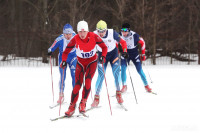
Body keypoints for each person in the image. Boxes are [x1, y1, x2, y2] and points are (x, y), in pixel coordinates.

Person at [61, 20, 108, 117]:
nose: (82, 34)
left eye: (84, 32)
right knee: (77, 85)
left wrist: (103, 56)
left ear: (87, 31)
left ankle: (83, 103)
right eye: (80, 32)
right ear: (77, 32)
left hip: (92, 62)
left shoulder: (94, 36)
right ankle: (72, 107)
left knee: (87, 82)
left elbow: (104, 47)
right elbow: (65, 52)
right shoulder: (75, 38)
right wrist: (64, 60)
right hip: (80, 63)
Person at [91, 20, 128, 108]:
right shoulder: (93, 34)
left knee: (116, 74)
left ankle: (118, 94)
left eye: (103, 31)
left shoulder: (112, 32)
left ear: (106, 29)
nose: (101, 34)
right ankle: (96, 98)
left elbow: (123, 42)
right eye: (99, 31)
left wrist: (125, 51)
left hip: (113, 54)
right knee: (100, 76)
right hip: (101, 55)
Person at [47, 23, 77, 104]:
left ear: (72, 32)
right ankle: (61, 95)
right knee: (63, 76)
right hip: (63, 58)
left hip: (73, 57)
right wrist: (50, 51)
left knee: (74, 75)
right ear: (63, 33)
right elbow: (52, 46)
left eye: (69, 34)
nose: (68, 36)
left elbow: (83, 43)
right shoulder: (60, 39)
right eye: (66, 34)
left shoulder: (75, 37)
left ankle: (74, 95)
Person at [119, 23, 152, 93]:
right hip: (125, 54)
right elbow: (115, 42)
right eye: (122, 30)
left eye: (125, 31)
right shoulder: (119, 35)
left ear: (129, 30)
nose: (123, 33)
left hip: (134, 54)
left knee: (139, 70)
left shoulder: (135, 35)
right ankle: (124, 85)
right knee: (123, 69)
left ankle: (146, 85)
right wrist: (118, 51)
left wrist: (143, 54)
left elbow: (142, 42)